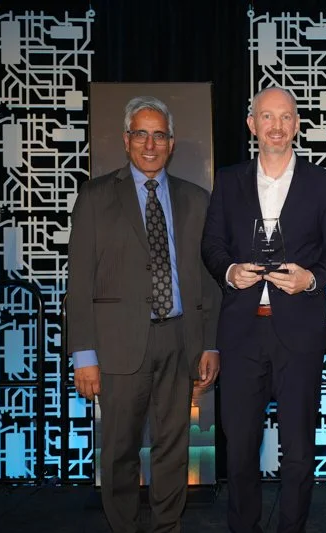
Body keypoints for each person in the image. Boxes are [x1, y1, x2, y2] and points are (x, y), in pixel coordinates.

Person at [67, 95, 221, 533]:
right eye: (141, 134)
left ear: (171, 143)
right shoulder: (96, 197)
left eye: (159, 135)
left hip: (180, 339)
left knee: (174, 446)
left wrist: (210, 342)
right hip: (116, 346)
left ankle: (166, 527)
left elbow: (209, 280)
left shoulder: (197, 199)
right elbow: (79, 282)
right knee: (119, 448)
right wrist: (84, 355)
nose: (150, 144)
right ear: (126, 140)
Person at [201, 87, 326, 533]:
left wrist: (312, 279)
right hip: (242, 332)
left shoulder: (324, 184)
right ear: (252, 125)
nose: (276, 126)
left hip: (299, 331)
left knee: (300, 449)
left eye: (285, 117)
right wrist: (229, 272)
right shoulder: (229, 181)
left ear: (297, 124)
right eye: (267, 117)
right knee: (241, 447)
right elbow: (211, 246)